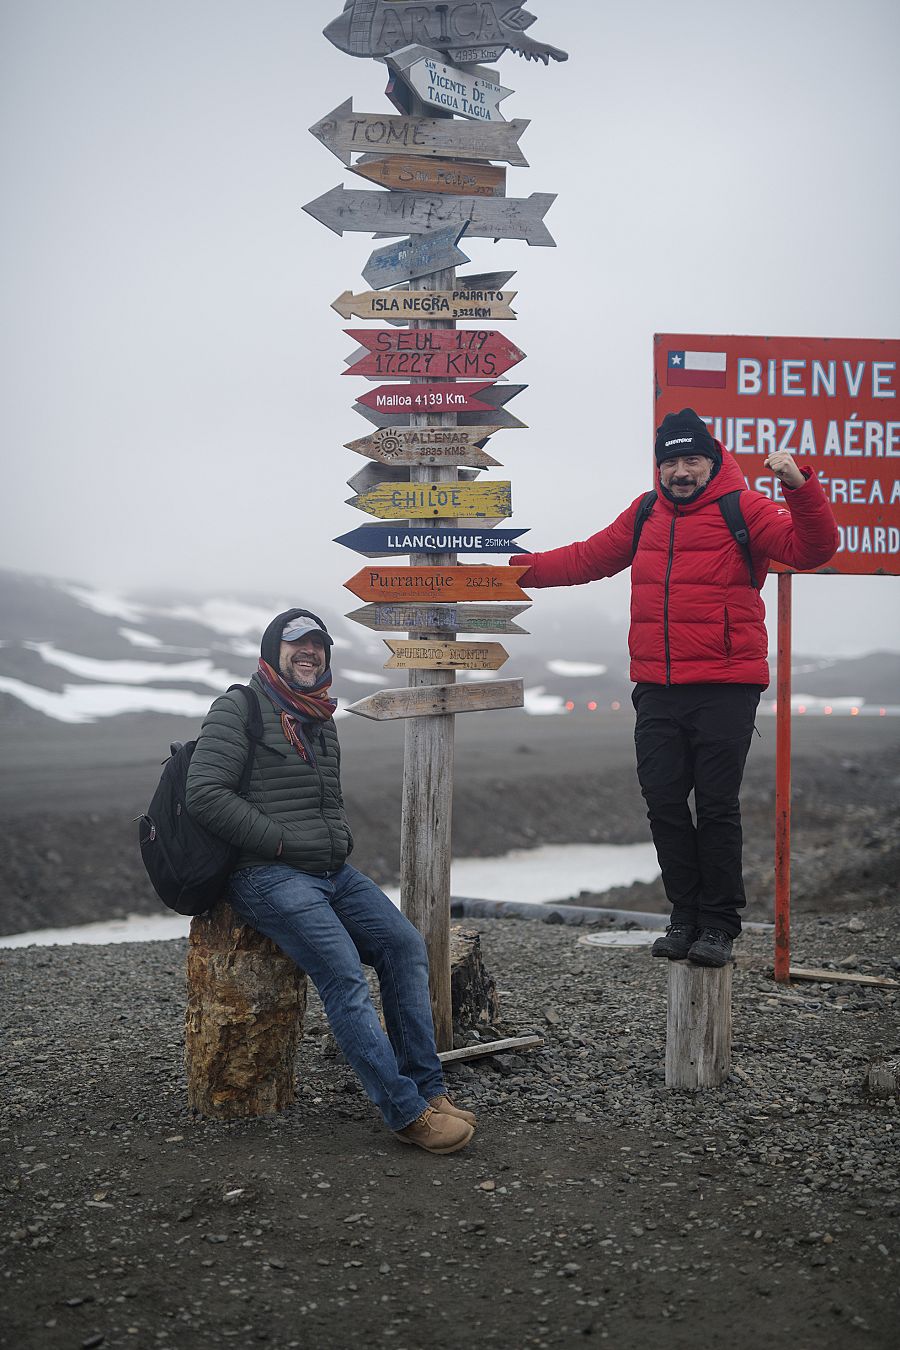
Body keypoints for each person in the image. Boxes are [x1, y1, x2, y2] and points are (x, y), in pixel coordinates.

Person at [509, 408, 838, 965]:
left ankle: (718, 925)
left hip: (726, 684)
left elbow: (813, 549)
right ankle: (683, 915)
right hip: (657, 685)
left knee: (715, 806)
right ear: (658, 467)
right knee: (663, 801)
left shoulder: (745, 507)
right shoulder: (645, 514)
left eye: (692, 460)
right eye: (670, 461)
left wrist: (799, 487)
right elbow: (586, 559)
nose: (680, 471)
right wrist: (512, 572)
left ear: (711, 462)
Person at [185, 607, 475, 1154]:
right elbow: (204, 793)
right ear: (274, 652)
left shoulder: (320, 717)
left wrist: (335, 841)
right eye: (297, 644)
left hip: (328, 871)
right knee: (343, 975)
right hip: (265, 874)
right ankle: (405, 1112)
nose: (309, 653)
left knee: (404, 946)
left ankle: (429, 1090)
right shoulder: (239, 707)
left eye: (318, 645)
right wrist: (278, 841)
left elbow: (327, 801)